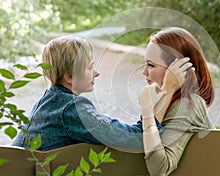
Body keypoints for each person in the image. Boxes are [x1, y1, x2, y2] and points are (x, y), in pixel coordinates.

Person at [12, 35, 191, 152]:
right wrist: (167, 90)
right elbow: (135, 139)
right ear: (69, 77)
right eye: (90, 67)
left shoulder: (50, 100)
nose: (97, 73)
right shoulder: (72, 109)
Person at [138, 27, 215, 175]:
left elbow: (160, 168)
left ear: (177, 68)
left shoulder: (187, 105)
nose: (144, 72)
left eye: (151, 65)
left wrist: (148, 110)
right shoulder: (167, 100)